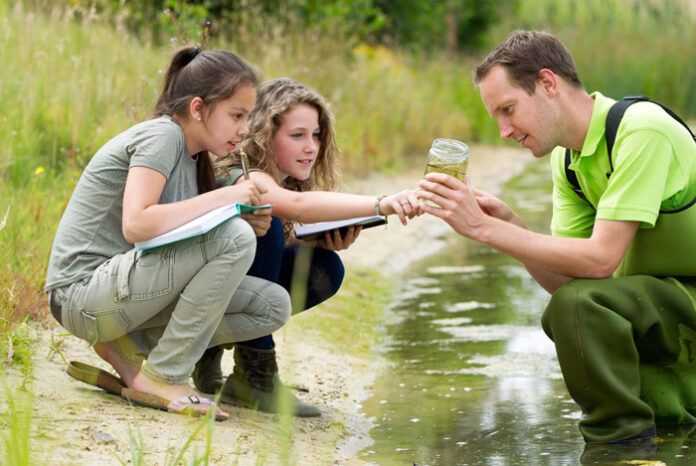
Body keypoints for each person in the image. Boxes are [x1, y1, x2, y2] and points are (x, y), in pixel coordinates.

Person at [417, 30, 696, 444]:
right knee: (573, 305)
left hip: (682, 301)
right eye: (497, 116)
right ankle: (627, 440)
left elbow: (601, 260)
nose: (504, 131)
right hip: (661, 307)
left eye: (508, 110)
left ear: (548, 84)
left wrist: (483, 227)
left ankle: (617, 447)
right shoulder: (568, 160)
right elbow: (571, 288)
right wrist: (509, 226)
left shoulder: (642, 131)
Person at [45, 47, 292, 421]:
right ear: (197, 108)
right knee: (234, 238)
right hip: (81, 295)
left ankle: (130, 351)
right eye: (236, 115)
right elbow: (137, 223)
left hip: (124, 294)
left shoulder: (195, 158)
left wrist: (241, 213)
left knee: (272, 304)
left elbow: (176, 236)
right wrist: (225, 198)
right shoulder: (162, 136)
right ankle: (165, 375)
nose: (244, 129)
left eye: (248, 117)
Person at [191, 77, 422, 417]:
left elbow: (272, 241)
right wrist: (382, 204)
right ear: (264, 136)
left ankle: (226, 356)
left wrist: (316, 240)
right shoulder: (243, 173)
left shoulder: (281, 178)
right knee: (265, 226)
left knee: (324, 267)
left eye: (316, 135)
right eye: (297, 135)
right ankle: (255, 373)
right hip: (191, 297)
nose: (311, 146)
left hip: (223, 290)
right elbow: (292, 209)